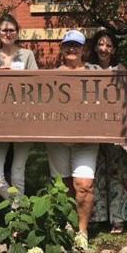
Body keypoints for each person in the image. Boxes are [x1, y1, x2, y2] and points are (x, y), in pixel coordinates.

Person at [46, 30, 99, 237]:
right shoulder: (52, 75)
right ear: (62, 48)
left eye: (76, 45)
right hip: (58, 139)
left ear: (83, 49)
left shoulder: (95, 73)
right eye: (68, 45)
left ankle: (82, 232)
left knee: (84, 185)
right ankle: (67, 224)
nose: (72, 49)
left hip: (86, 139)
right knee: (63, 185)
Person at [0, 14, 38, 199]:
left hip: (22, 119)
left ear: (17, 32)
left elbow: (37, 85)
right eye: (4, 30)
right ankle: (21, 207)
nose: (8, 33)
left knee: (17, 173)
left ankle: (18, 215)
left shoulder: (27, 55)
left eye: (12, 30)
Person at [87, 29, 127, 233]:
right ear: (95, 47)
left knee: (118, 172)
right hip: (94, 126)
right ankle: (96, 216)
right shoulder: (87, 69)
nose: (104, 48)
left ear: (113, 49)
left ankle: (118, 218)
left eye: (108, 45)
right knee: (96, 170)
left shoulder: (120, 70)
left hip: (116, 127)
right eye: (100, 44)